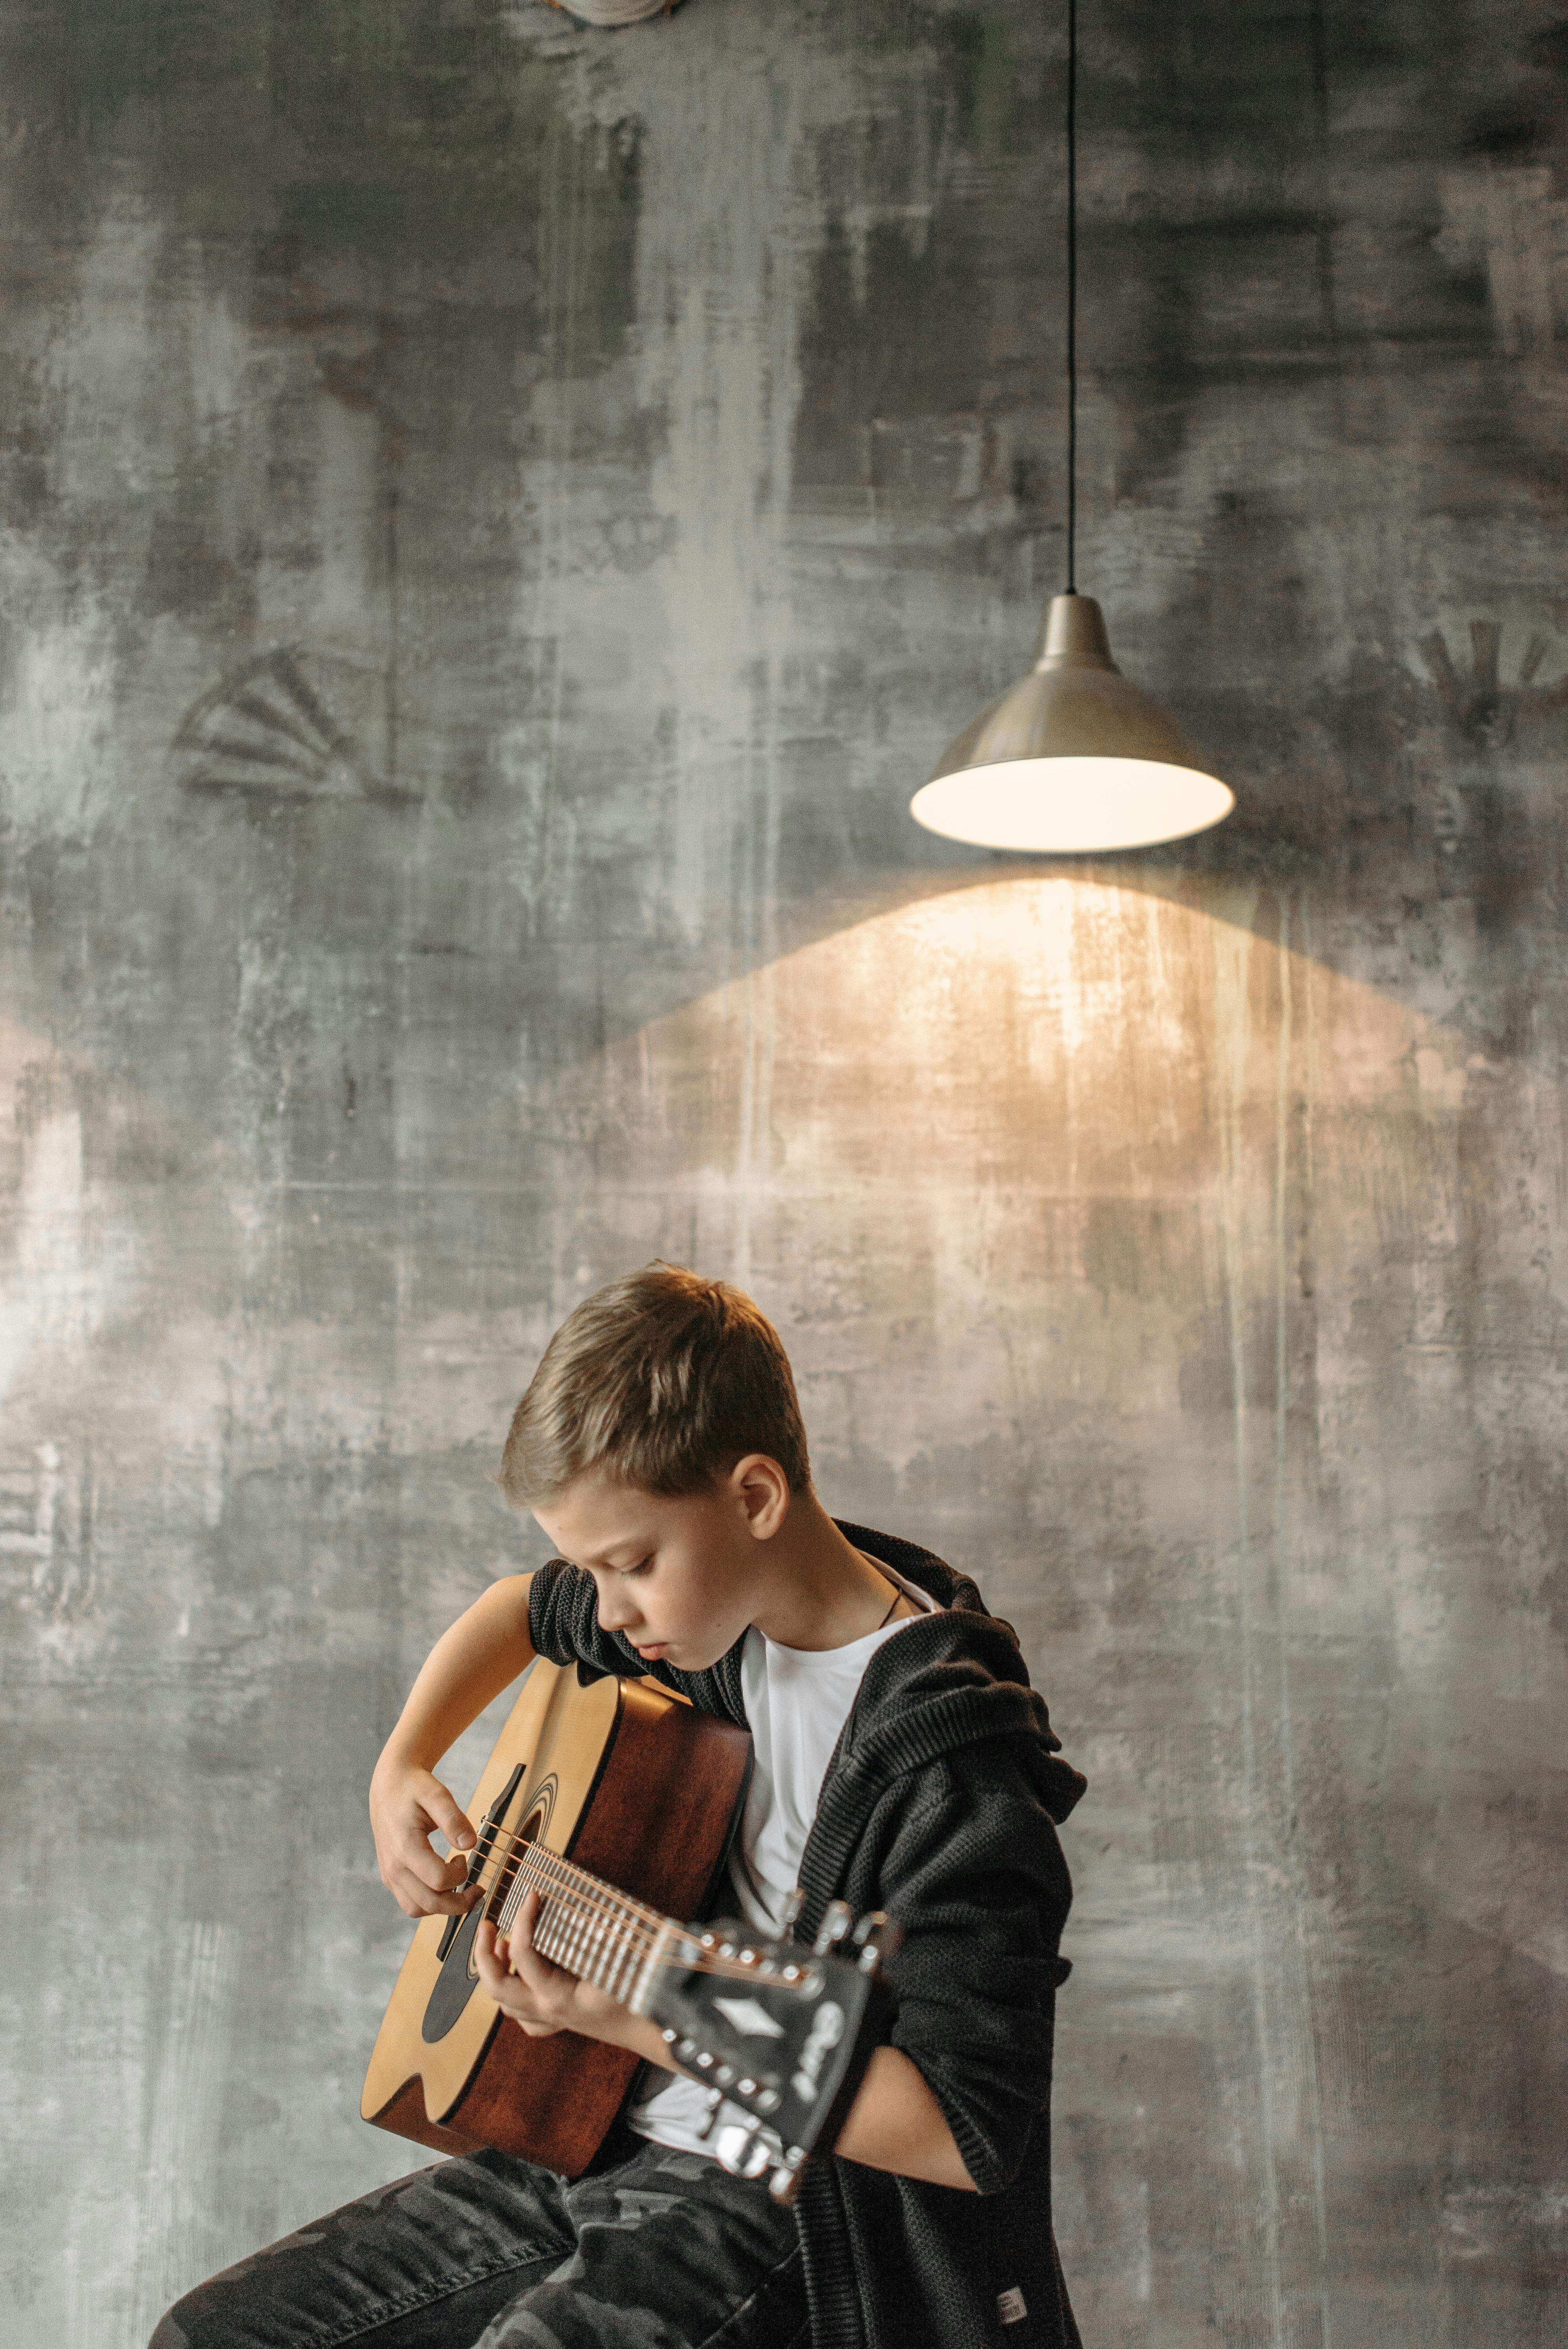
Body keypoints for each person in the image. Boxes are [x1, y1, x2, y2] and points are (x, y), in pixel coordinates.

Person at [153, 1265, 1085, 2349]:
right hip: (597, 2129)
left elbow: (959, 2129)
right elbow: (519, 1610)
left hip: (784, 2205)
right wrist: (401, 1764)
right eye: (587, 1567)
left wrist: (626, 2009)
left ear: (754, 1497)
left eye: (630, 1564)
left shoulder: (953, 1765)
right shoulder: (711, 1613)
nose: (607, 1610)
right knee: (212, 2336)